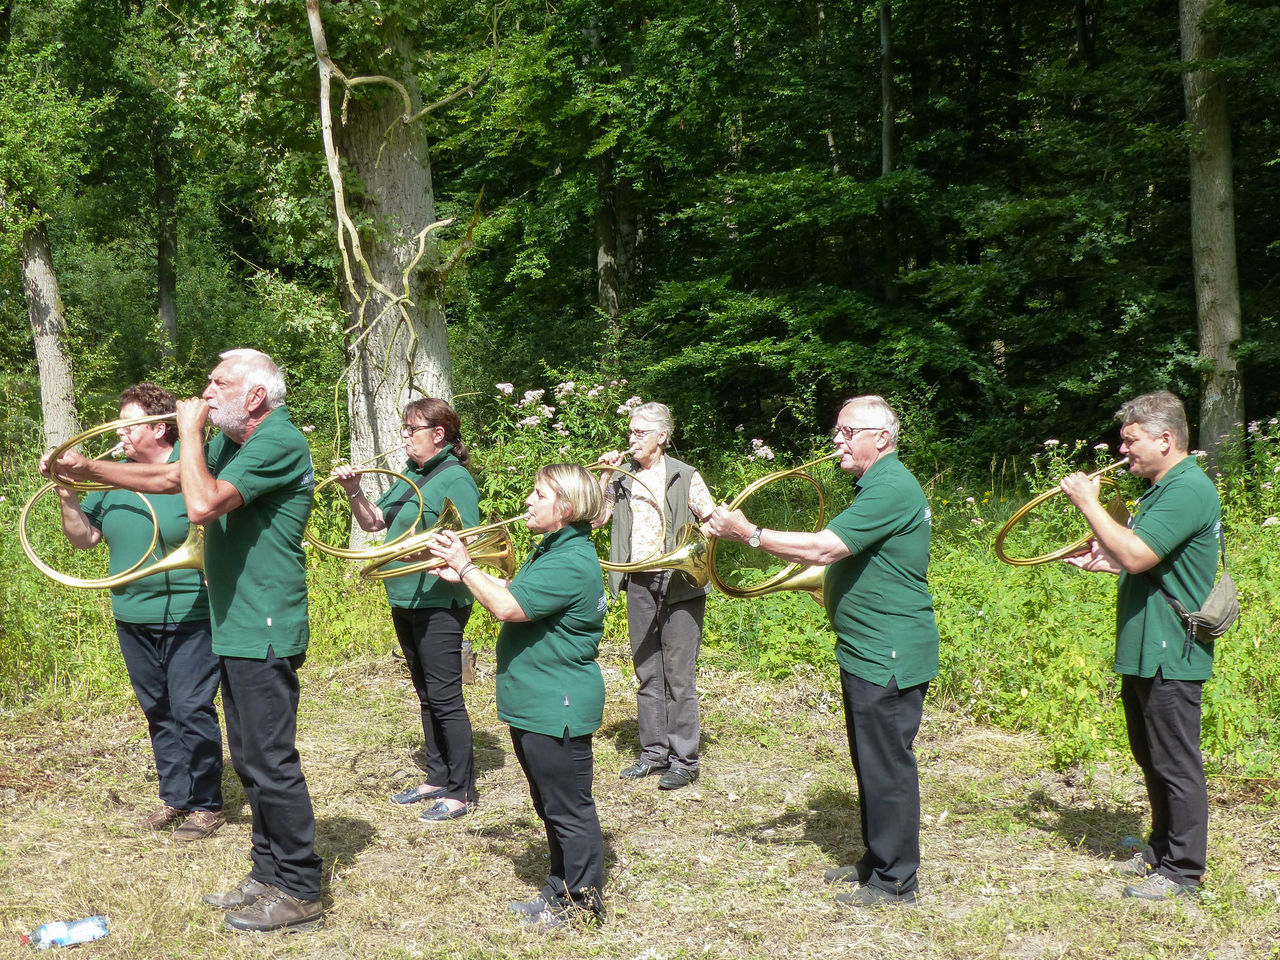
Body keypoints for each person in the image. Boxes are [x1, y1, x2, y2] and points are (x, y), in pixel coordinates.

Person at [49, 349, 323, 932]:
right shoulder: (238, 440)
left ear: (254, 397)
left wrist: (191, 430)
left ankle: (300, 888)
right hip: (235, 624)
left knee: (271, 761)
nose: (205, 392)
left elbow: (199, 503)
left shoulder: (279, 439)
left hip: (266, 623)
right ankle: (267, 872)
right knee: (248, 759)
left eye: (218, 383)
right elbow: (172, 477)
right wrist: (88, 473)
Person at [706, 395, 939, 907]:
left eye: (846, 431)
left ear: (881, 437)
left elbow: (824, 548)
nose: (837, 440)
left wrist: (748, 533)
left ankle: (896, 880)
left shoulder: (892, 486)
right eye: (838, 430)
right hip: (868, 648)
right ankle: (878, 859)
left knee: (887, 765)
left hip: (889, 650)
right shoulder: (875, 485)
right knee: (870, 760)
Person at [426, 464, 608, 929]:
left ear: (565, 509)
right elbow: (520, 591)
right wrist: (463, 577)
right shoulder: (553, 549)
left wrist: (467, 564)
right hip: (537, 700)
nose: (528, 499)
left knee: (568, 807)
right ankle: (559, 889)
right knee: (549, 803)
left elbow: (509, 607)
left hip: (557, 703)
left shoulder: (569, 559)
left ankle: (582, 905)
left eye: (538, 493)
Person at [41, 383, 223, 842]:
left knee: (191, 707)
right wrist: (67, 494)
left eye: (129, 424)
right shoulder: (113, 476)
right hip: (132, 612)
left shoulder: (194, 464)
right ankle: (175, 797)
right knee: (158, 709)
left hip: (191, 611)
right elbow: (84, 538)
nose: (120, 433)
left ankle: (207, 803)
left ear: (159, 428)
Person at [1060, 391, 1220, 901]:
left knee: (1176, 761)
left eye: (1130, 441)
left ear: (1165, 439)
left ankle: (1184, 872)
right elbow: (1147, 561)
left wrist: (1088, 503)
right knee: (1151, 755)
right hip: (1147, 643)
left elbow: (1135, 554)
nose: (1121, 450)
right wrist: (1105, 559)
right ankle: (1160, 849)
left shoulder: (1187, 489)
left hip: (1172, 648)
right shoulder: (1159, 488)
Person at [333, 398, 480, 822]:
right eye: (403, 428)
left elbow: (468, 544)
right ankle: (436, 776)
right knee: (425, 692)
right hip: (404, 597)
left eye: (410, 429)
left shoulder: (455, 478)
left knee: (446, 695)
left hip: (440, 602)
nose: (404, 437)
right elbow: (374, 523)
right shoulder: (411, 475)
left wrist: (433, 557)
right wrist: (353, 488)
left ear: (438, 434)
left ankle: (461, 790)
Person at [596, 402, 716, 790]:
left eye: (639, 432)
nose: (631, 439)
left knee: (678, 675)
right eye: (630, 432)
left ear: (661, 437)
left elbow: (711, 524)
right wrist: (604, 475)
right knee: (647, 671)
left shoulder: (685, 476)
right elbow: (597, 518)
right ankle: (653, 754)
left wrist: (691, 553)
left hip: (680, 584)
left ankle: (685, 760)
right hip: (639, 583)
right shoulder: (622, 475)